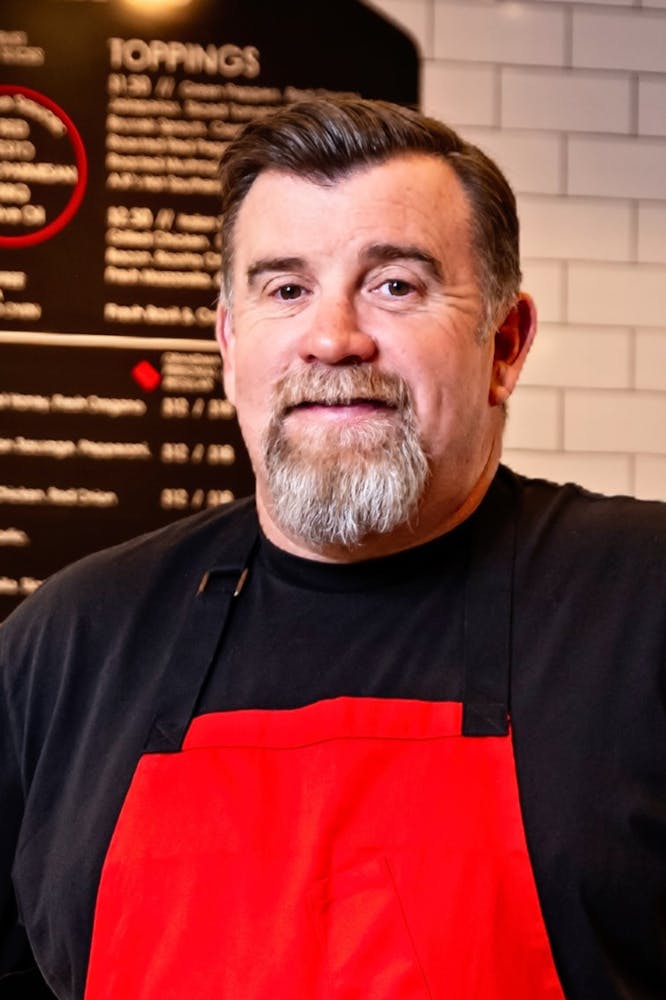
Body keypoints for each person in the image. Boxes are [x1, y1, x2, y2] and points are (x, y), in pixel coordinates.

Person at [1, 96, 665, 1000]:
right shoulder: (71, 639)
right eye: (285, 289)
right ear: (231, 345)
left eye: (396, 285)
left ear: (503, 343)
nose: (333, 338)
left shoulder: (644, 602)